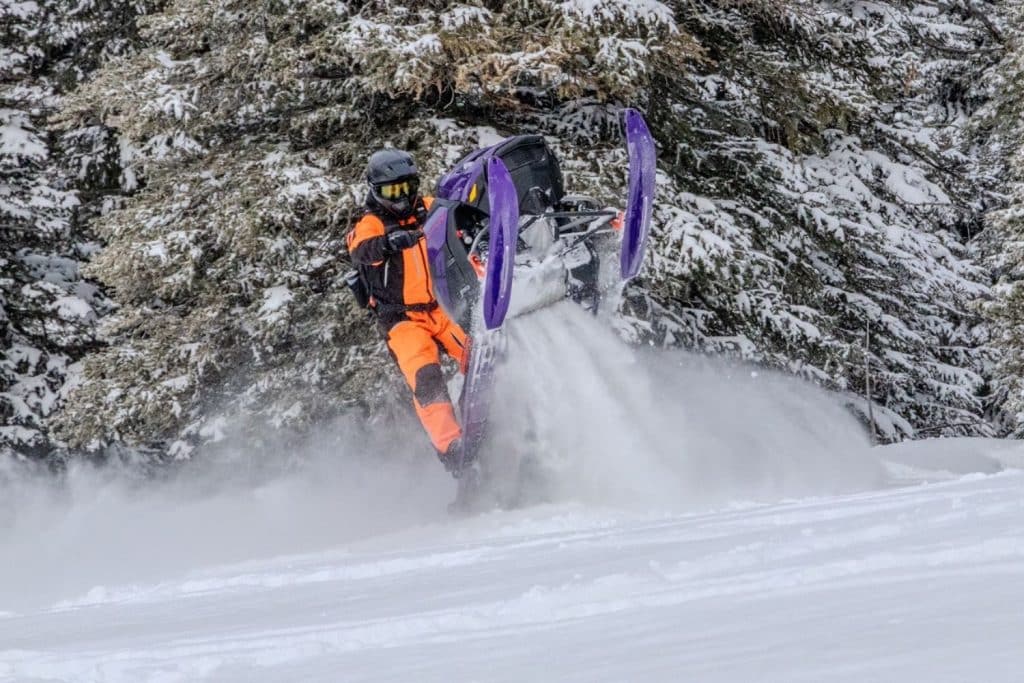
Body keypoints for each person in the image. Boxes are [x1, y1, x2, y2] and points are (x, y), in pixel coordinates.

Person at [346, 149, 469, 472]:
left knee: (480, 351)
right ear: (375, 190)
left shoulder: (429, 207)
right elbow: (361, 251)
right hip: (401, 318)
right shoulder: (370, 223)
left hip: (443, 306)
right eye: (391, 191)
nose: (401, 198)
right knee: (426, 377)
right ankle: (451, 447)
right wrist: (389, 243)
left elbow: (459, 215)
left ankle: (491, 411)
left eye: (406, 187)